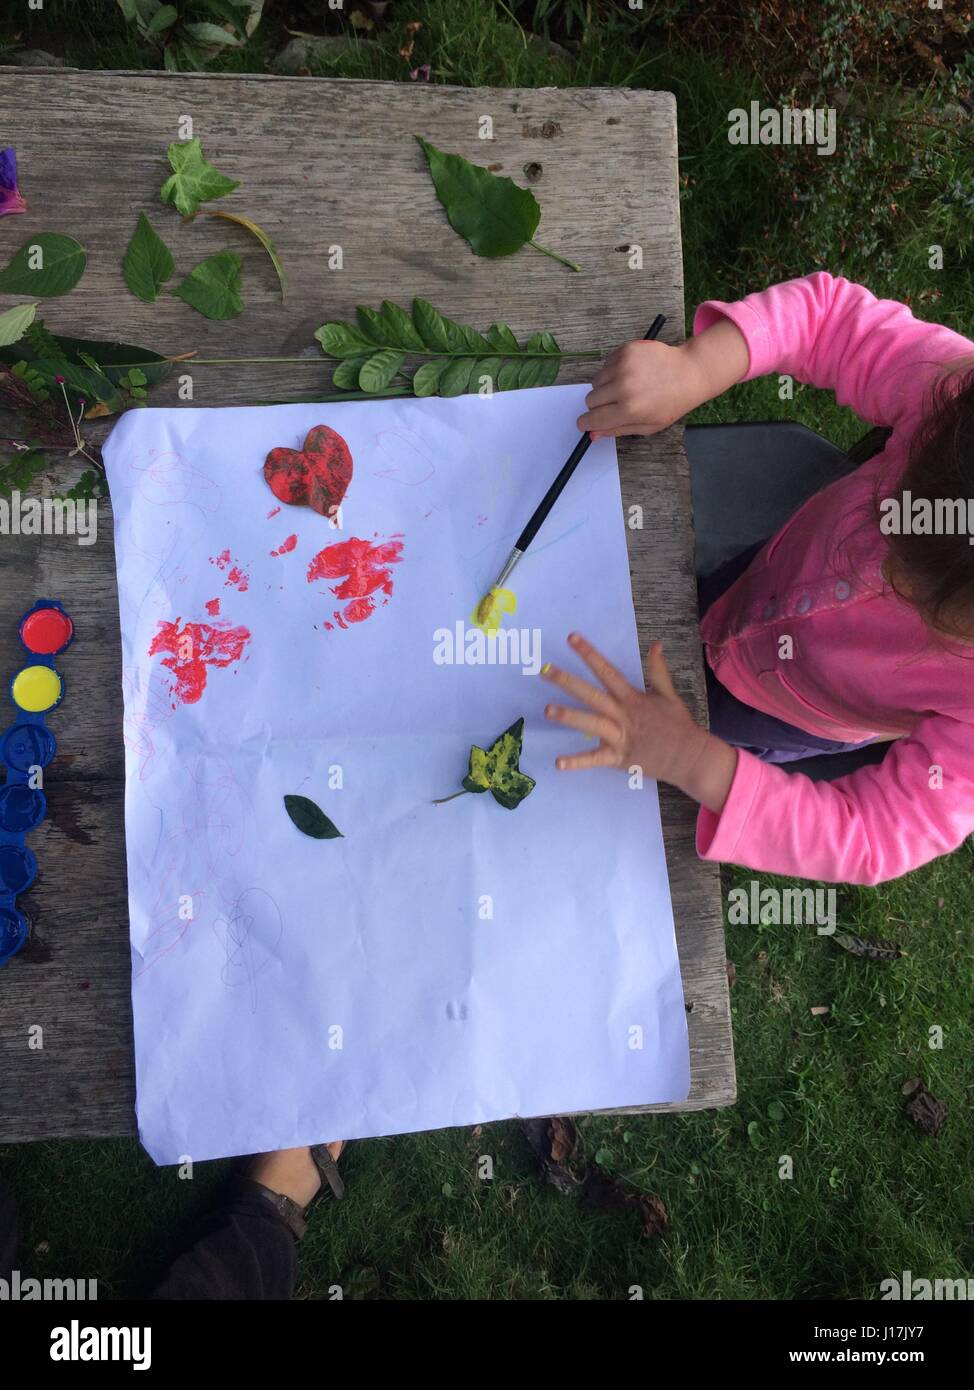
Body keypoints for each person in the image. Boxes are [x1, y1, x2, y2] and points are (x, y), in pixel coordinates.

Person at [540, 272, 974, 885]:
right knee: (660, 615)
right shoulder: (951, 393)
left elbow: (874, 838)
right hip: (757, 579)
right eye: (897, 514)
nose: (882, 567)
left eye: (922, 597)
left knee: (634, 744)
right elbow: (830, 319)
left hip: (779, 707)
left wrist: (690, 756)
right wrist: (697, 369)